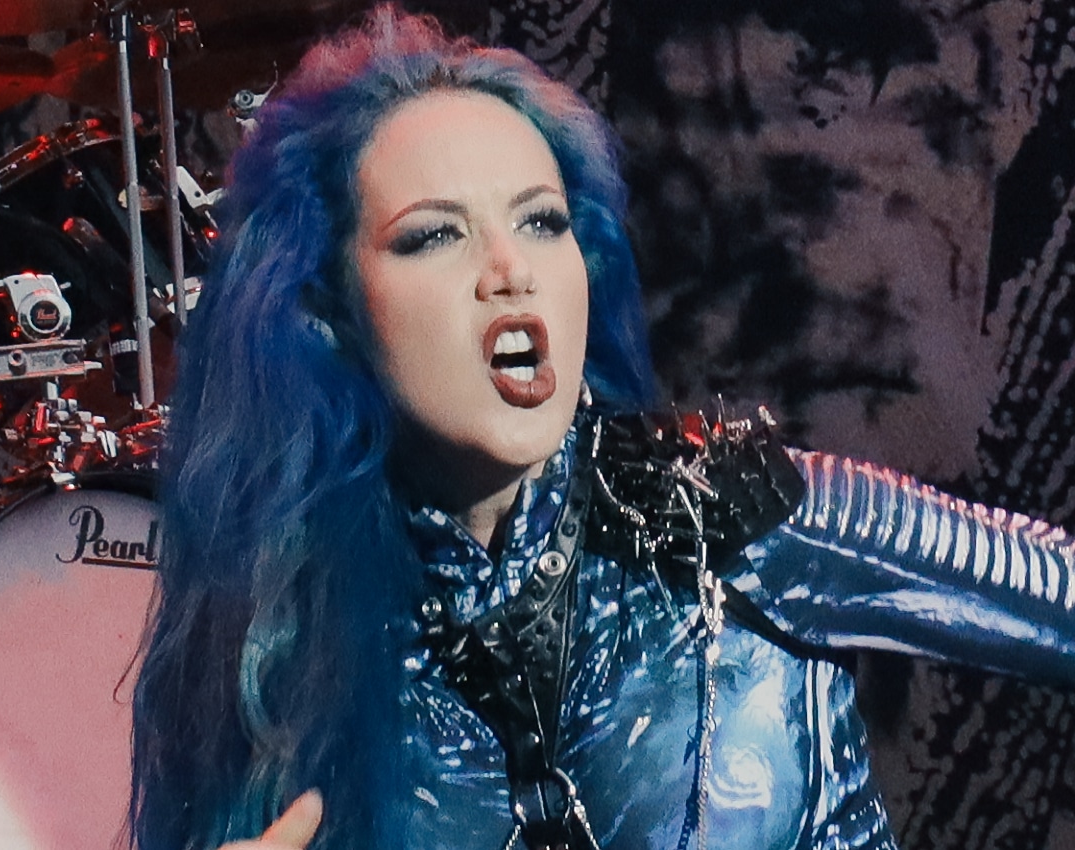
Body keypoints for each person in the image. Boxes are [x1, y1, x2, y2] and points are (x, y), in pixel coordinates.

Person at [130, 7, 1075, 850]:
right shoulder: (292, 644)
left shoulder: (733, 516)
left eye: (542, 223)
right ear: (328, 311)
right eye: (435, 235)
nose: (510, 271)